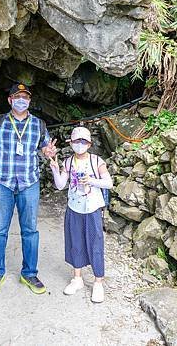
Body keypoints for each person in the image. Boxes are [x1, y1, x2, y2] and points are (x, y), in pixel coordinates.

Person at [0, 83, 57, 295]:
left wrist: (49, 152)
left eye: (26, 97)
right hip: (2, 182)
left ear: (29, 100)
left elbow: (47, 149)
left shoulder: (38, 124)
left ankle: (29, 273)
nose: (22, 100)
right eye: (17, 96)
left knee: (30, 230)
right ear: (10, 100)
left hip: (29, 183)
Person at [48, 126, 113, 303]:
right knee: (75, 241)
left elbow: (109, 183)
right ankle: (77, 278)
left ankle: (98, 282)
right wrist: (55, 168)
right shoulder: (68, 162)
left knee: (95, 242)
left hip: (92, 207)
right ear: (71, 143)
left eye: (83, 141)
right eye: (77, 141)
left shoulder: (96, 161)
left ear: (89, 143)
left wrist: (91, 180)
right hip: (74, 206)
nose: (80, 144)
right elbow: (61, 185)